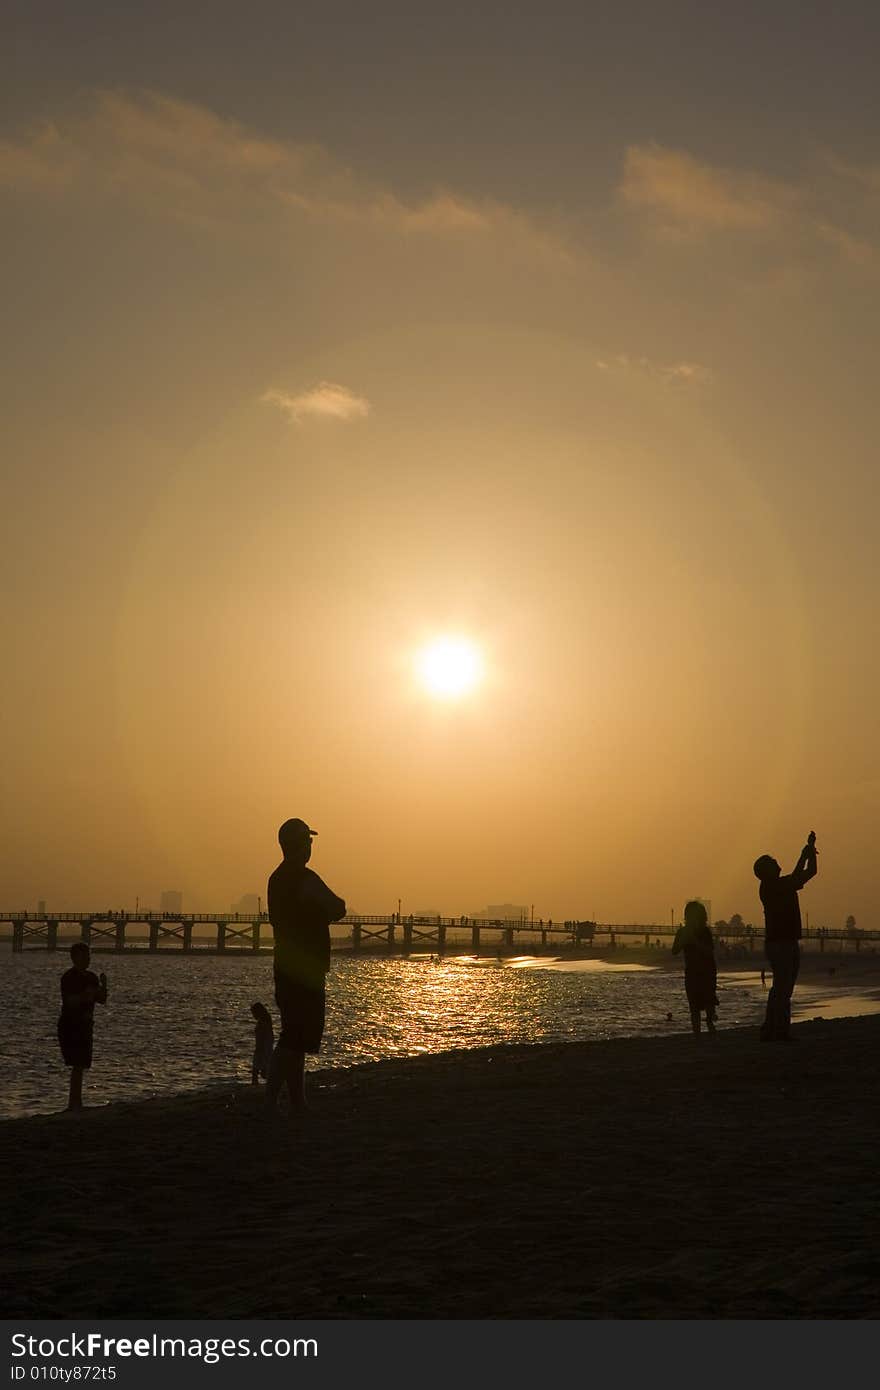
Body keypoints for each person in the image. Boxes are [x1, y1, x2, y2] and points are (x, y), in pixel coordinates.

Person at [265, 818, 346, 1115]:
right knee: (296, 1037)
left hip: (283, 963)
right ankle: (271, 1102)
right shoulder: (305, 878)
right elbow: (338, 906)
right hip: (306, 968)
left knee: (294, 1034)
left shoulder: (275, 879)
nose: (312, 846)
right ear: (301, 845)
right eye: (309, 842)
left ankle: (297, 1102)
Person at [753, 830, 818, 1042]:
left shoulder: (780, 885)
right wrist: (804, 852)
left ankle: (770, 1029)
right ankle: (779, 1031)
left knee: (781, 989)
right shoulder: (771, 887)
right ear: (767, 871)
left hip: (786, 942)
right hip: (779, 943)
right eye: (774, 863)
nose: (778, 865)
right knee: (783, 989)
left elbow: (810, 872)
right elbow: (799, 873)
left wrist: (810, 852)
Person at [57, 942, 108, 1110]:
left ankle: (76, 1103)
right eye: (84, 956)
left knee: (82, 1064)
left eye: (89, 956)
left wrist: (104, 986)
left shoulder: (92, 977)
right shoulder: (68, 977)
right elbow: (69, 1001)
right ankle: (74, 1103)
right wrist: (86, 995)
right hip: (71, 1024)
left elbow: (101, 999)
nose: (88, 959)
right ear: (75, 958)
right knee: (76, 1063)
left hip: (86, 1024)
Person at [672, 901, 718, 1036]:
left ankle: (710, 1023)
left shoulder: (705, 931)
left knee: (709, 1001)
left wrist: (695, 941)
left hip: (707, 970)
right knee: (693, 1004)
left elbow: (709, 951)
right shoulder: (682, 931)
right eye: (690, 915)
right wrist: (683, 939)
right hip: (691, 971)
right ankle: (696, 1032)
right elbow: (674, 950)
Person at [250, 1001, 274, 1084]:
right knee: (261, 1068)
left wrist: (260, 1047)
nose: (253, 1016)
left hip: (262, 1047)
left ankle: (256, 1083)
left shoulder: (262, 1023)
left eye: (253, 1013)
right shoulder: (265, 1021)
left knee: (258, 1068)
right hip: (265, 1047)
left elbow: (263, 1037)